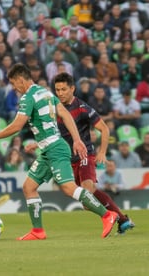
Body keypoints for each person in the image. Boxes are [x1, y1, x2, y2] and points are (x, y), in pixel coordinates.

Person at [0, 64, 118, 240]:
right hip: (48, 149)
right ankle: (38, 231)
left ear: (21, 80)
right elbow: (65, 115)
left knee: (69, 188)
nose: (14, 88)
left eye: (14, 83)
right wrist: (76, 139)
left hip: (55, 149)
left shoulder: (28, 97)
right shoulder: (45, 92)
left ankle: (107, 215)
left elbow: (17, 126)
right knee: (29, 187)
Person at [52, 72, 134, 234]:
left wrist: (102, 152)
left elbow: (104, 128)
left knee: (88, 190)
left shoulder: (82, 108)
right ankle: (122, 219)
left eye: (63, 89)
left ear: (72, 89)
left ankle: (114, 218)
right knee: (86, 202)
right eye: (57, 90)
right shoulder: (55, 109)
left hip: (84, 155)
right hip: (68, 160)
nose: (60, 93)